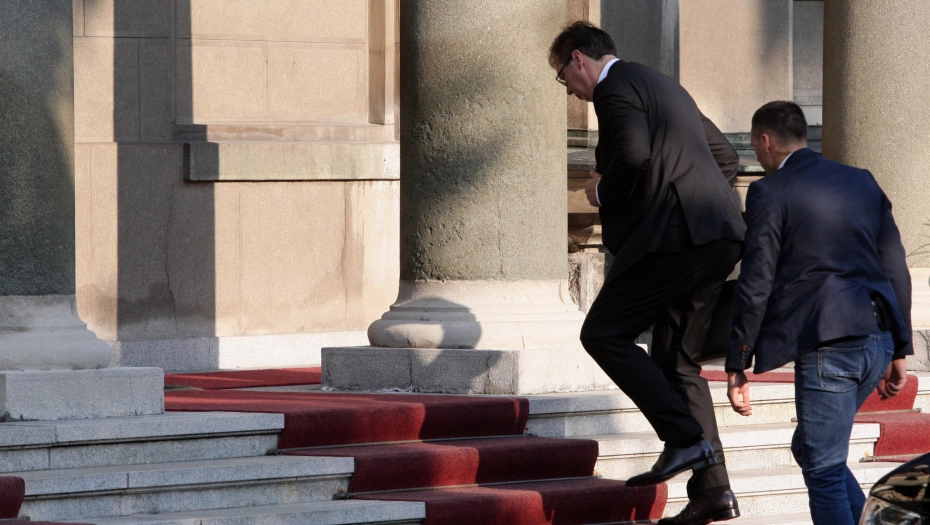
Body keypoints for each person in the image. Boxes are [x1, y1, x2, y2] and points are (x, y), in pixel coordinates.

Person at [549, 22, 745, 525]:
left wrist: (601, 192)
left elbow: (634, 156)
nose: (568, 89)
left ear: (578, 59)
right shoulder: (663, 85)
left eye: (563, 77)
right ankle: (713, 493)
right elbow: (725, 157)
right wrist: (697, 202)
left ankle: (684, 438)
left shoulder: (613, 89)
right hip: (718, 235)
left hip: (677, 243)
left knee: (603, 333)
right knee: (678, 365)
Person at [726, 101, 912, 525]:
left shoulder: (770, 190)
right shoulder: (861, 180)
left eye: (755, 145)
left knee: (823, 469)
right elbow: (895, 267)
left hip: (831, 345)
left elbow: (757, 278)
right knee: (811, 449)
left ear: (765, 140)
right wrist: (899, 347)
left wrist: (738, 360)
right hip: (877, 339)